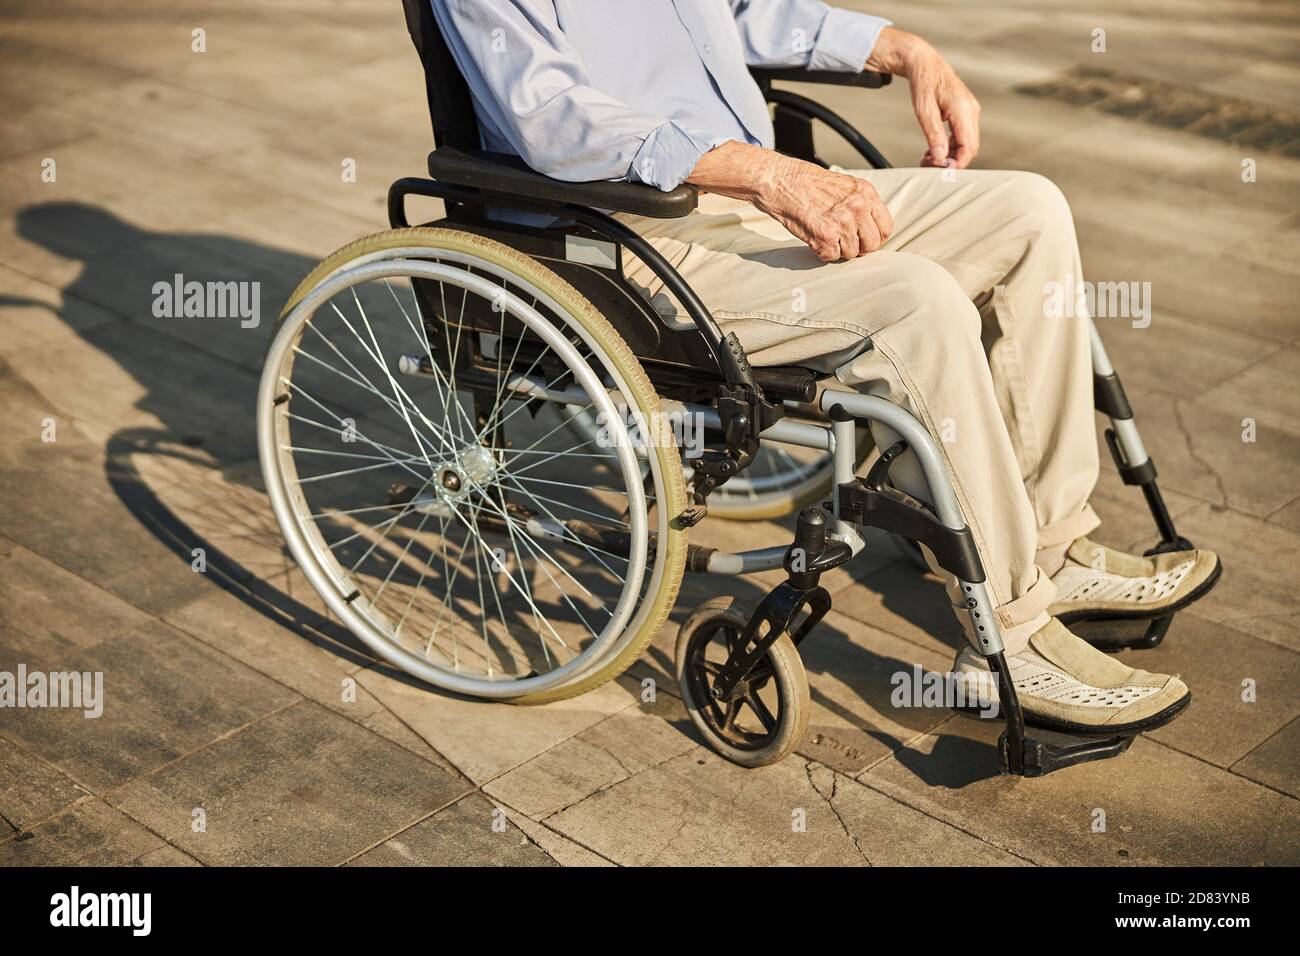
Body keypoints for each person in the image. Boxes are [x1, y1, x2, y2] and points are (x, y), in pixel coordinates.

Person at [428, 0, 1220, 733]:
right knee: (919, 300)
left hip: (746, 195)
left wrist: (903, 50)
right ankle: (1009, 640)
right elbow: (549, 118)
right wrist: (763, 172)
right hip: (633, 234)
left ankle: (1049, 544)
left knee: (1028, 211)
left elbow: (740, 11)